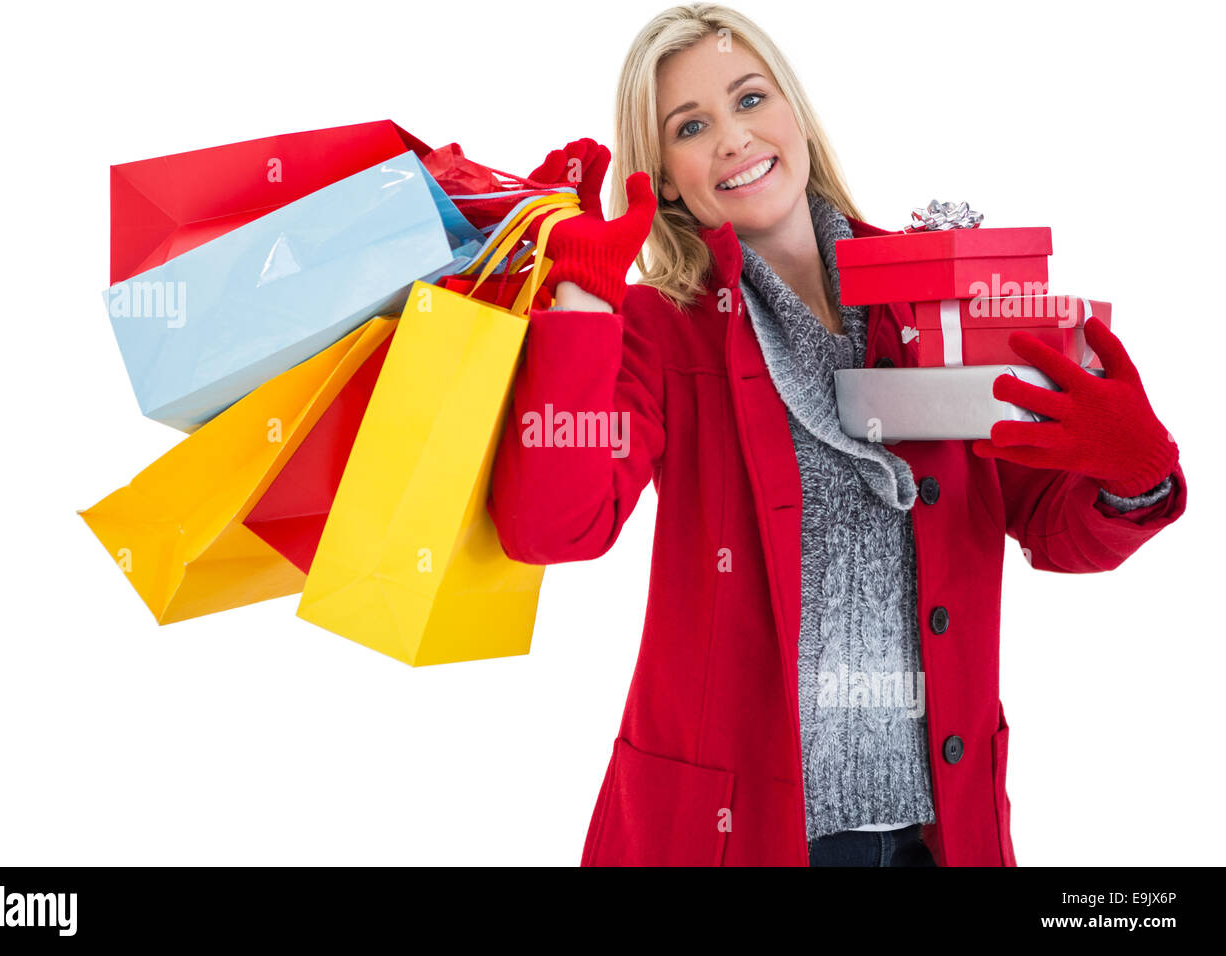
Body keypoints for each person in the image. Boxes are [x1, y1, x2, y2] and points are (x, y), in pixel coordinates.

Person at [486, 3, 1187, 867]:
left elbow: (1051, 523)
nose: (734, 139)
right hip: (741, 834)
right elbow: (555, 527)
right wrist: (583, 298)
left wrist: (1137, 475)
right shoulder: (664, 331)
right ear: (664, 177)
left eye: (750, 99)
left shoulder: (930, 292)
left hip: (940, 831)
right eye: (692, 126)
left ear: (794, 113)